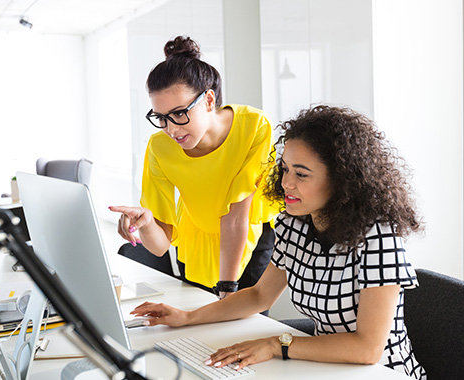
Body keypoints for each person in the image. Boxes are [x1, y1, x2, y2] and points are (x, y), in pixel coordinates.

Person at [129, 105, 427, 379]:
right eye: (285, 169)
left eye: (301, 174)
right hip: (326, 368)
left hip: (382, 372)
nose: (286, 183)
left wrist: (276, 345)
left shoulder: (377, 236)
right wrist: (187, 317)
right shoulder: (294, 223)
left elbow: (367, 349)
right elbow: (260, 296)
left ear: (341, 180)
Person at [109, 35, 280, 298]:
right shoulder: (159, 148)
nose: (171, 129)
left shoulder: (254, 126)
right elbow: (159, 245)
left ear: (209, 100)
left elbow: (236, 219)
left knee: (243, 328)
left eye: (179, 113)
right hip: (197, 242)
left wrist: (226, 289)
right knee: (201, 325)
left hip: (249, 239)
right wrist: (145, 223)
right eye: (161, 118)